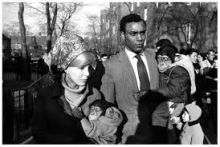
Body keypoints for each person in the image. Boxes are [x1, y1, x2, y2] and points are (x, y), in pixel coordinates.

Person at [31, 34, 102, 144]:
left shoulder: (94, 94)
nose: (87, 73)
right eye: (81, 68)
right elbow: (38, 133)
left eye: (89, 67)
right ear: (65, 67)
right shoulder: (46, 95)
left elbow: (102, 132)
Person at [100, 13, 159, 143]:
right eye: (133, 33)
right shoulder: (110, 66)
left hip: (160, 134)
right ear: (122, 35)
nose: (140, 38)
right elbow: (109, 109)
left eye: (142, 33)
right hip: (130, 137)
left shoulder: (156, 59)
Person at [152, 45, 191, 144]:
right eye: (159, 59)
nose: (161, 62)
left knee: (164, 124)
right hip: (168, 102)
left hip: (177, 102)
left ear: (172, 59)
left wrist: (153, 93)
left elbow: (174, 90)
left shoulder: (179, 70)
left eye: (164, 59)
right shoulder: (166, 70)